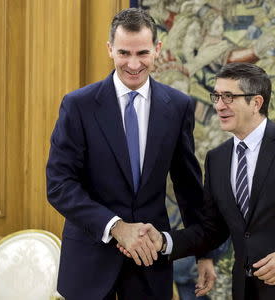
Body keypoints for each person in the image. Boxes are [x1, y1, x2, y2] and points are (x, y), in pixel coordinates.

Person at [120, 62, 275, 299]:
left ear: (256, 103)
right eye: (217, 96)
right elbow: (212, 230)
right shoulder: (217, 158)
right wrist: (163, 241)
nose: (219, 105)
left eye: (229, 97)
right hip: (246, 292)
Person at [46, 8, 212, 300]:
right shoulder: (78, 106)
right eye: (124, 53)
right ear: (109, 49)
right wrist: (116, 227)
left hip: (149, 265)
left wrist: (203, 254)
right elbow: (59, 185)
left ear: (157, 50)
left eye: (142, 53)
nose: (133, 64)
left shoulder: (178, 106)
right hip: (88, 264)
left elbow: (188, 187)